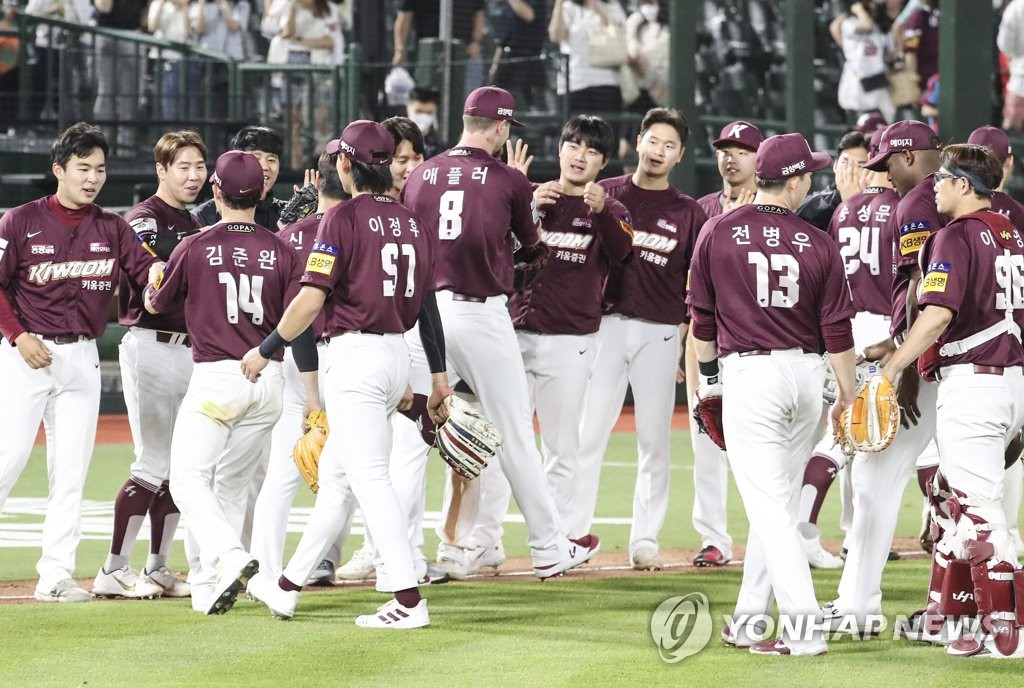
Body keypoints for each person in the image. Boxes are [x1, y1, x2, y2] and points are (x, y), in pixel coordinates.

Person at [241, 120, 449, 627]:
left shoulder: (340, 218)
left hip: (355, 356)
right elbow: (425, 303)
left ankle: (408, 602)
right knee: (337, 482)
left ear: (344, 164)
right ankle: (286, 587)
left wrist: (267, 349)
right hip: (395, 351)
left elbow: (310, 299)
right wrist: (437, 374)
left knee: (369, 479)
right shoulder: (410, 219)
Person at [401, 86, 601, 580]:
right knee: (513, 434)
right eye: (507, 126)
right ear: (498, 127)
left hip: (423, 314)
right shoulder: (507, 179)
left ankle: (402, 554)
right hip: (481, 314)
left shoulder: (421, 175)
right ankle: (549, 547)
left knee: (408, 441)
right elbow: (531, 251)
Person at [689, 133, 857, 656]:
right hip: (807, 377)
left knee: (770, 510)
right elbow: (838, 330)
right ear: (795, 180)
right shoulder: (820, 241)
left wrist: (710, 385)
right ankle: (748, 618)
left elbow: (701, 323)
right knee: (778, 504)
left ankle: (804, 630)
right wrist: (848, 395)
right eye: (809, 173)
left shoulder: (717, 230)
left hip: (751, 376)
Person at [145, 150, 314, 615]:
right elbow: (299, 314)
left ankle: (233, 557)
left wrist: (153, 279)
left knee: (186, 479)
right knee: (232, 487)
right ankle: (208, 583)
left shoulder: (195, 245)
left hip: (218, 377)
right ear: (261, 193)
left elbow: (157, 304)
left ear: (216, 191)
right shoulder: (283, 247)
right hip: (269, 375)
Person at [0, 122, 156, 603]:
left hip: (82, 357)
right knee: (6, 461)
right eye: (83, 168)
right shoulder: (19, 221)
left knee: (71, 472)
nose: (92, 178)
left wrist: (162, 272)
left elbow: (148, 268)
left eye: (100, 169)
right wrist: (18, 335)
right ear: (59, 170)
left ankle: (56, 576)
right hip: (25, 354)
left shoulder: (112, 227)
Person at [882, 143, 1024, 659]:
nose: (935, 186)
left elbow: (938, 314)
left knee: (981, 515)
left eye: (943, 178)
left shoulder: (955, 235)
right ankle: (953, 616)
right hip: (1010, 381)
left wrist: (892, 368)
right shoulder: (1012, 233)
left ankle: (1006, 633)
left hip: (975, 384)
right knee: (947, 497)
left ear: (965, 185)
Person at [821, 119, 946, 636]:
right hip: (988, 367)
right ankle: (969, 612)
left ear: (911, 156)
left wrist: (906, 361)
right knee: (971, 491)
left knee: (874, 478)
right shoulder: (998, 212)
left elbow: (925, 289)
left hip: (934, 364)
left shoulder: (918, 203)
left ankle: (858, 608)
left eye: (888, 163)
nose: (883, 177)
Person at [573, 107, 705, 570]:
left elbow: (694, 280)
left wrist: (685, 335)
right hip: (604, 325)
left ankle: (644, 539)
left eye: (669, 146)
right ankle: (573, 533)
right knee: (589, 433)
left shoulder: (688, 212)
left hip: (661, 330)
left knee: (655, 440)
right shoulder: (605, 193)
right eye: (653, 141)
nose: (659, 151)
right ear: (638, 141)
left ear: (680, 156)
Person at [93, 130, 208, 600]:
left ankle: (159, 566)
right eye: (182, 166)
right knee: (153, 461)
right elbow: (154, 286)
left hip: (190, 350)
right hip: (152, 344)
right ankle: (113, 567)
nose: (193, 175)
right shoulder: (143, 219)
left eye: (199, 166)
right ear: (160, 170)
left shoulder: (197, 221)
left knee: (181, 466)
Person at [510, 114, 633, 543]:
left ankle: (558, 540)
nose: (581, 156)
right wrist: (523, 205)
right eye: (574, 145)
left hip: (572, 340)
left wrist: (601, 215)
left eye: (592, 150)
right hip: (517, 334)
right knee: (498, 443)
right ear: (559, 149)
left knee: (562, 448)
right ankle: (479, 543)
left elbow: (622, 254)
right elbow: (496, 248)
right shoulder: (531, 196)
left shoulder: (610, 208)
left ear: (603, 163)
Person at [336, 115, 440, 583]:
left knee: (405, 456)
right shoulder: (366, 213)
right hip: (374, 341)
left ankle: (400, 556)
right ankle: (380, 551)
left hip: (399, 339)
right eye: (397, 158)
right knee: (363, 460)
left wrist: (439, 375)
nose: (406, 167)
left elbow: (429, 302)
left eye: (414, 158)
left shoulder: (414, 211)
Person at [796, 126, 901, 570]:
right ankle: (947, 540)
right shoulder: (907, 208)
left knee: (843, 434)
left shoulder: (844, 210)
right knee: (908, 445)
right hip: (885, 329)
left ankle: (808, 523)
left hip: (844, 329)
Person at [248, 146, 342, 586]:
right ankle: (321, 561)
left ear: (316, 183)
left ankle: (265, 570)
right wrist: (314, 392)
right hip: (340, 364)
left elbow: (289, 316)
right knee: (355, 471)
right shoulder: (361, 230)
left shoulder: (288, 237)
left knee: (283, 475)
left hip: (292, 365)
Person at [689, 119, 764, 567]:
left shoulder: (774, 209)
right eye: (724, 148)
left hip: (753, 342)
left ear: (761, 159)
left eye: (742, 149)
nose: (730, 156)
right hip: (703, 337)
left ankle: (768, 535)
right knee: (706, 441)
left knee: (758, 446)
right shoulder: (701, 209)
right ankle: (714, 537)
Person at [193, 126, 287, 230]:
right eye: (256, 158)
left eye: (271, 160)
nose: (265, 167)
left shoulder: (287, 215)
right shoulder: (202, 217)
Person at [548, 0, 627, 115]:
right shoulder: (569, 7)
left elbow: (622, 37)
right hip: (575, 83)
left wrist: (598, 11)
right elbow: (555, 36)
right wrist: (559, 3)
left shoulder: (612, 5)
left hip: (608, 84)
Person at [392, 0, 486, 92]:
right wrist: (400, 50)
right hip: (428, 54)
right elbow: (404, 17)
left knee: (469, 98)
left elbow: (479, 14)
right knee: (426, 95)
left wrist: (475, 41)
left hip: (465, 52)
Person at [92, 0, 148, 151]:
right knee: (105, 94)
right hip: (106, 33)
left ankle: (126, 149)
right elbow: (104, 7)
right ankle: (99, 147)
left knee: (130, 98)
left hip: (133, 34)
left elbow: (146, 13)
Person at [831, 0, 896, 123]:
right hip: (858, 81)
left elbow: (892, 52)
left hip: (879, 80)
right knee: (862, 127)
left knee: (885, 126)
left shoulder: (881, 26)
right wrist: (859, 9)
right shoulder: (850, 23)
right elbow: (866, 26)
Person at [795, 130, 871, 231]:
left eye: (860, 165)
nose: (851, 171)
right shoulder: (813, 209)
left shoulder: (880, 206)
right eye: (845, 163)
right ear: (835, 166)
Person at [696, 120, 763, 219]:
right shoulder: (701, 208)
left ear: (759, 159)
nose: (731, 160)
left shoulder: (773, 209)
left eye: (742, 153)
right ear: (717, 155)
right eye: (726, 152)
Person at [999, 0, 1024, 130]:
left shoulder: (1016, 7)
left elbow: (1004, 43)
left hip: (1019, 80)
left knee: (1011, 127)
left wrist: (1015, 58)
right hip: (1019, 79)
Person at [406, 87, 447, 159]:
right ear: (408, 108)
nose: (423, 117)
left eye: (429, 113)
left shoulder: (441, 150)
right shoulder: (392, 142)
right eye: (419, 112)